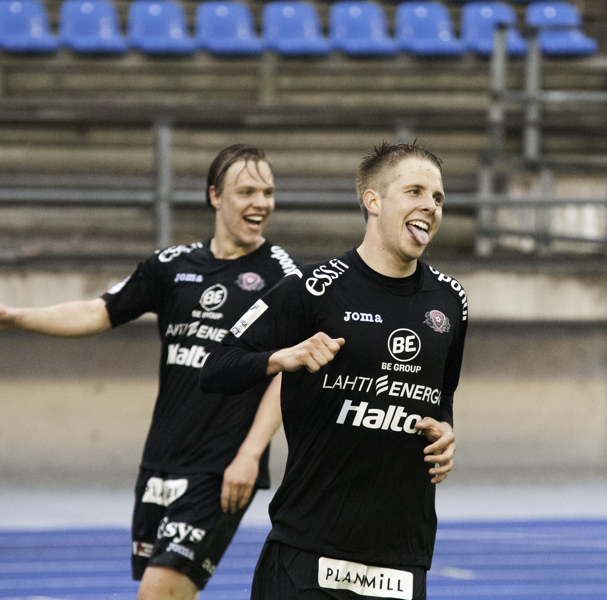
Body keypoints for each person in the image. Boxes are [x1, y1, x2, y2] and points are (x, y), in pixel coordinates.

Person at [0, 144, 299, 600]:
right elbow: (98, 311)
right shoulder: (170, 267)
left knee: (158, 592)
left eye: (268, 192)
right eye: (247, 191)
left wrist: (251, 452)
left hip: (220, 467)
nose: (261, 203)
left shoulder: (284, 278)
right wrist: (17, 316)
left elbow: (289, 371)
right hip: (159, 463)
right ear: (215, 197)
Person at [200, 141, 468, 600]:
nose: (430, 205)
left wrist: (445, 431)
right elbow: (216, 366)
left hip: (402, 556)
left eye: (438, 197)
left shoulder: (450, 300)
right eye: (416, 192)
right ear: (373, 201)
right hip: (308, 550)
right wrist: (280, 358)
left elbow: (441, 396)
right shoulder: (311, 288)